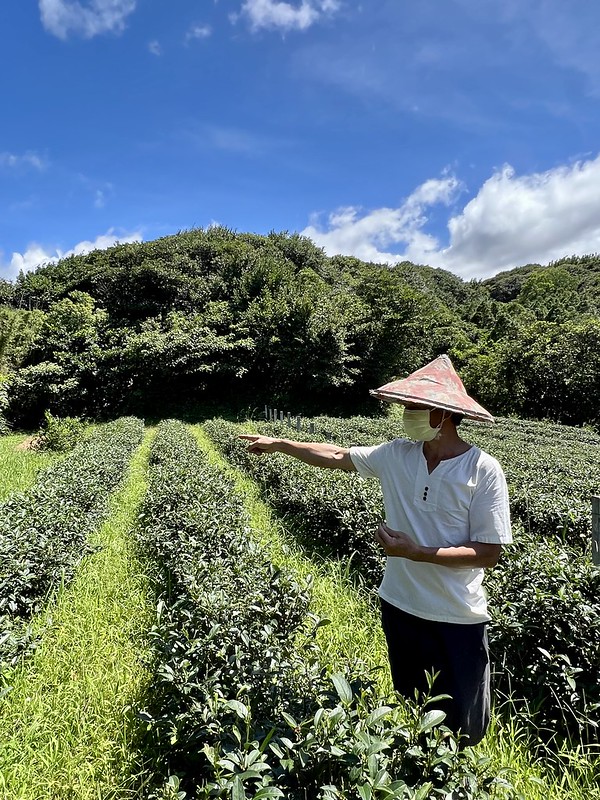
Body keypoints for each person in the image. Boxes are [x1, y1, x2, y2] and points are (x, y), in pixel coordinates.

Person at [239, 354, 512, 746]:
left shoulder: (483, 470)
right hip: (399, 604)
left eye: (414, 407)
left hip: (456, 617)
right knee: (412, 710)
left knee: (461, 728)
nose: (406, 415)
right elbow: (336, 455)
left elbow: (488, 553)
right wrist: (281, 444)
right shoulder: (397, 454)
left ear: (443, 414)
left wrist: (419, 552)